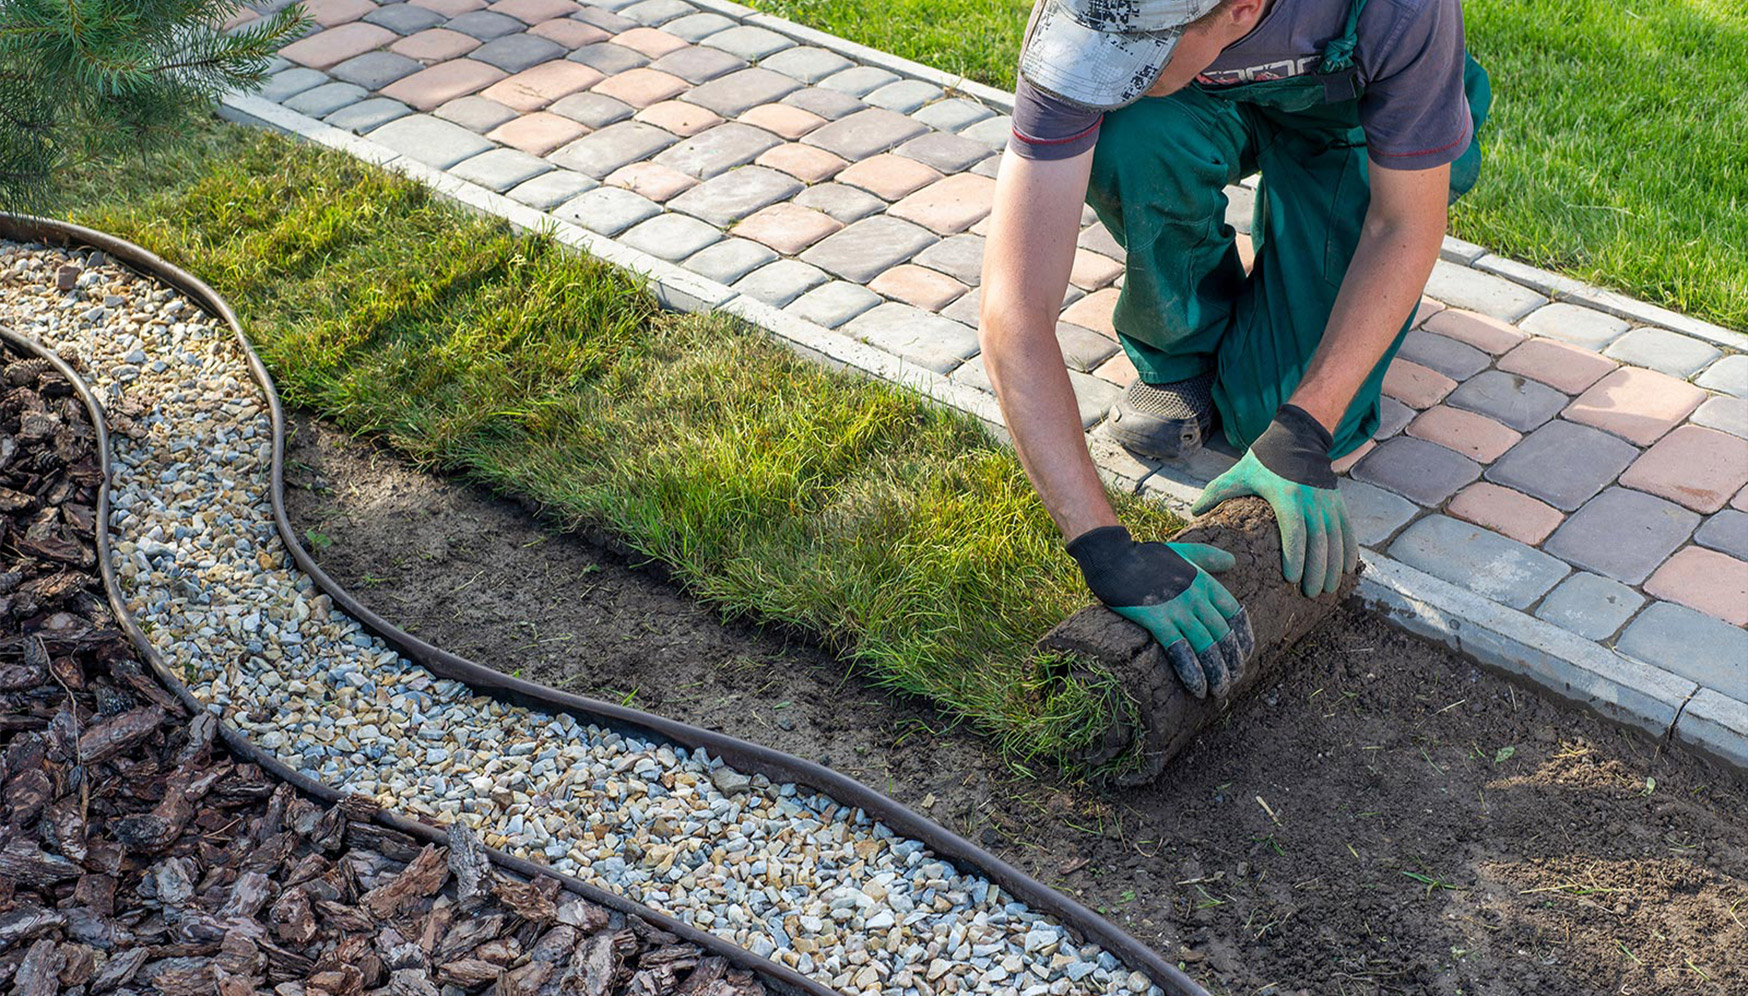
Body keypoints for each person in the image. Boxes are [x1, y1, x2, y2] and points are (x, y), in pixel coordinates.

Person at [978, 0, 1490, 699]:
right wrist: (1100, 544)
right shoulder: (1088, 18)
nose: (1105, 68)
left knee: (1271, 420)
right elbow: (1014, 307)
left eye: (1138, 53)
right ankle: (1180, 353)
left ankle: (1296, 272)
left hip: (1348, 124)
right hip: (1193, 105)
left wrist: (1305, 428)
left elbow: (1404, 225)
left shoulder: (1402, 11)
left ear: (1242, 10)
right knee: (1128, 133)